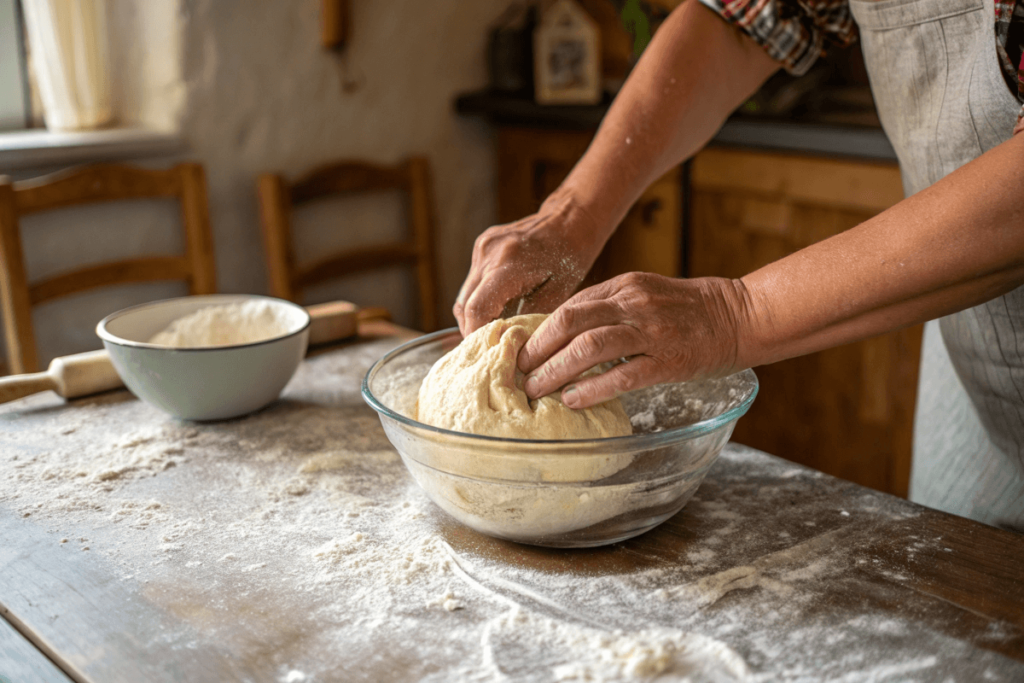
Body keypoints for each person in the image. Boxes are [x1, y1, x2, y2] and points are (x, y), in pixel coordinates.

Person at [453, 0, 1024, 532]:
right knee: (964, 584)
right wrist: (570, 214)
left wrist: (735, 314)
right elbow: (741, 19)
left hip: (962, 266)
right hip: (972, 329)